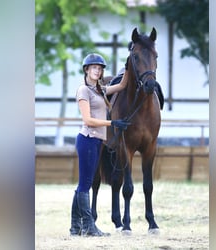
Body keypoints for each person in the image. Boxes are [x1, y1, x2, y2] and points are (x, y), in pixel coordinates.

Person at [70, 53, 130, 237]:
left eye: (100, 68)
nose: (97, 70)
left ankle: (75, 227)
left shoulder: (100, 90)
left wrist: (129, 65)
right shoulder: (84, 91)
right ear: (86, 70)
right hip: (87, 139)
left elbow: (121, 85)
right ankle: (89, 226)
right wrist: (112, 123)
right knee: (85, 184)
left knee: (82, 184)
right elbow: (88, 120)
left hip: (97, 141)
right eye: (94, 67)